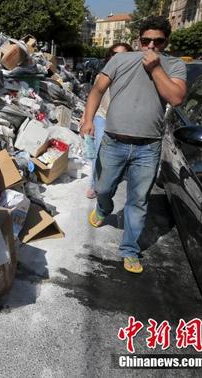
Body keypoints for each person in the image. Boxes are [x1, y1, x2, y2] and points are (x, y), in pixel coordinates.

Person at [79, 17, 187, 274]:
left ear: (165, 42)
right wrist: (88, 120)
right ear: (138, 40)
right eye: (146, 40)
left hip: (148, 148)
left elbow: (176, 97)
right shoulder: (120, 60)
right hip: (114, 141)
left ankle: (129, 250)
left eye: (157, 41)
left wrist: (156, 69)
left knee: (138, 201)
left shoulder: (174, 65)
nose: (151, 46)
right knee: (103, 187)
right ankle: (104, 207)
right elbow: (96, 89)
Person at [85, 42, 133, 199]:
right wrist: (87, 120)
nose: (117, 58)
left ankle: (109, 183)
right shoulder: (102, 76)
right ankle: (94, 185)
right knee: (99, 152)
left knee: (118, 157)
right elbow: (94, 96)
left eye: (122, 55)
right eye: (114, 54)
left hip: (123, 122)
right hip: (103, 118)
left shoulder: (133, 78)